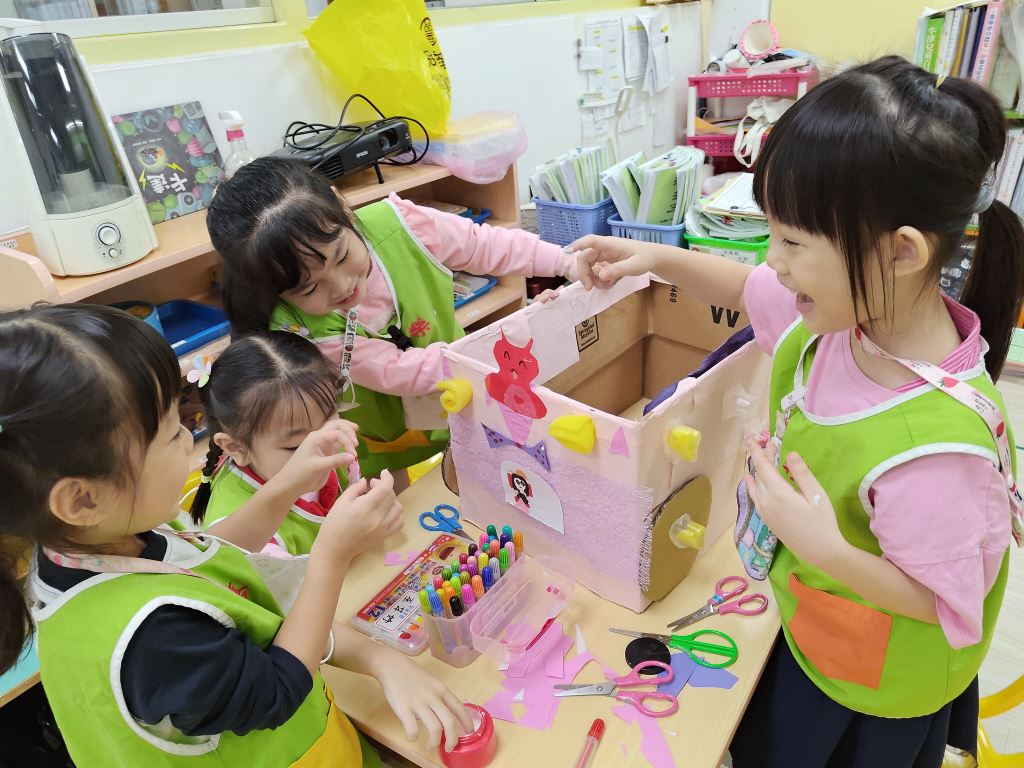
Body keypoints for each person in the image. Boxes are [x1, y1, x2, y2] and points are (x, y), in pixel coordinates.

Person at [570, 56, 1024, 767]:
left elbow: (945, 602)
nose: (773, 260)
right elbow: (746, 286)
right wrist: (651, 259)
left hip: (871, 685)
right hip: (809, 619)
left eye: (792, 242)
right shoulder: (843, 316)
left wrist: (825, 548)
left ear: (901, 252)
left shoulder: (938, 453)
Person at [0, 303, 472, 768]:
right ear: (82, 499)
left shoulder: (92, 539)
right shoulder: (152, 637)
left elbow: (208, 552)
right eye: (172, 434)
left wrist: (286, 484)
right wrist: (331, 552)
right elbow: (277, 688)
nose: (190, 439)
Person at [206, 157, 578, 485]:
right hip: (380, 433)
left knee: (475, 466)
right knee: (392, 496)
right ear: (276, 291)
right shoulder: (300, 330)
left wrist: (565, 262)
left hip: (460, 394)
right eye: (309, 288)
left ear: (342, 207)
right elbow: (400, 371)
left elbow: (483, 244)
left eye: (341, 256)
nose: (342, 286)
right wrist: (510, 344)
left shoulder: (400, 224)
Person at [189, 331, 360, 555]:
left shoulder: (331, 442)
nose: (322, 446)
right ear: (236, 447)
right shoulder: (247, 539)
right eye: (296, 446)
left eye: (329, 421)